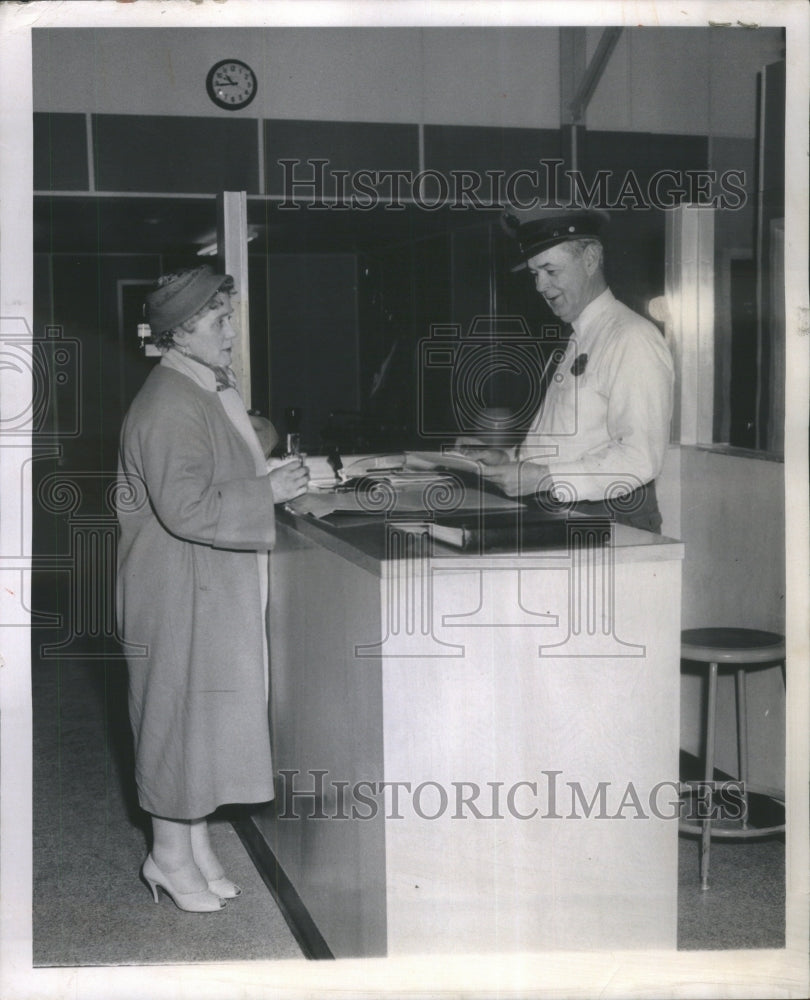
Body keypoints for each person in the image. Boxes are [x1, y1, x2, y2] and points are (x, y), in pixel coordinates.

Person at [116, 266, 309, 912]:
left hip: (197, 585)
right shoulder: (170, 400)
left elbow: (228, 453)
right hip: (173, 590)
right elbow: (186, 508)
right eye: (220, 320)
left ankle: (194, 847)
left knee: (196, 723)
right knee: (176, 720)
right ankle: (167, 857)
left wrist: (265, 469)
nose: (232, 331)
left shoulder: (199, 385)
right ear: (181, 331)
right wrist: (268, 490)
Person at [458, 207, 674, 532]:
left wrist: (543, 477)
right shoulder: (574, 338)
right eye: (534, 274)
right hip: (565, 515)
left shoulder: (631, 338)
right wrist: (510, 459)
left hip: (609, 519)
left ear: (590, 259)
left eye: (550, 271)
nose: (540, 287)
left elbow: (640, 457)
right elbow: (571, 438)